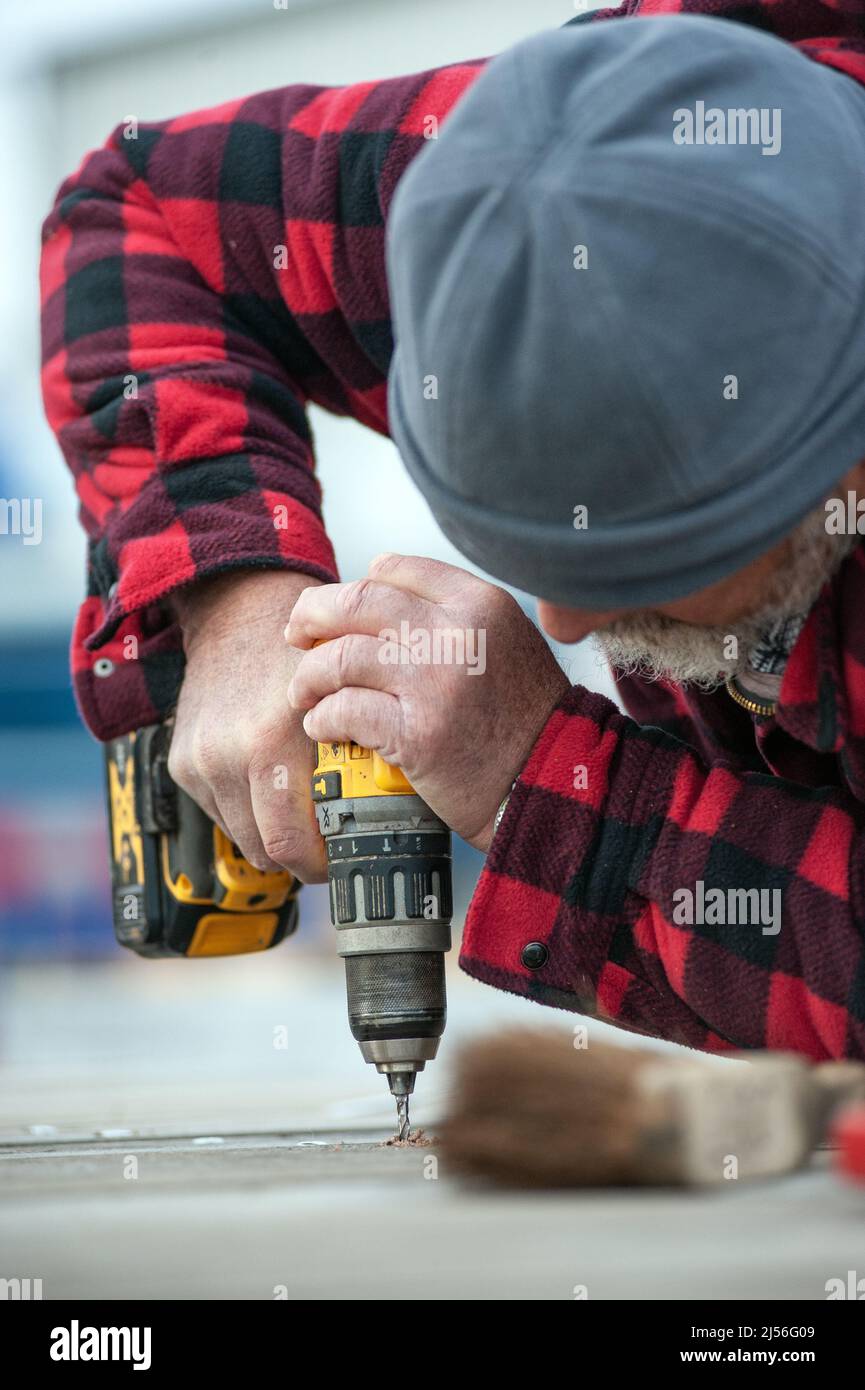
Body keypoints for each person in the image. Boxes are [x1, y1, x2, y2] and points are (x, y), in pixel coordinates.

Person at [41, 3, 865, 1058]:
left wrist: (556, 782)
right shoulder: (536, 192)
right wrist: (236, 600)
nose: (565, 623)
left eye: (655, 556)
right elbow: (136, 210)